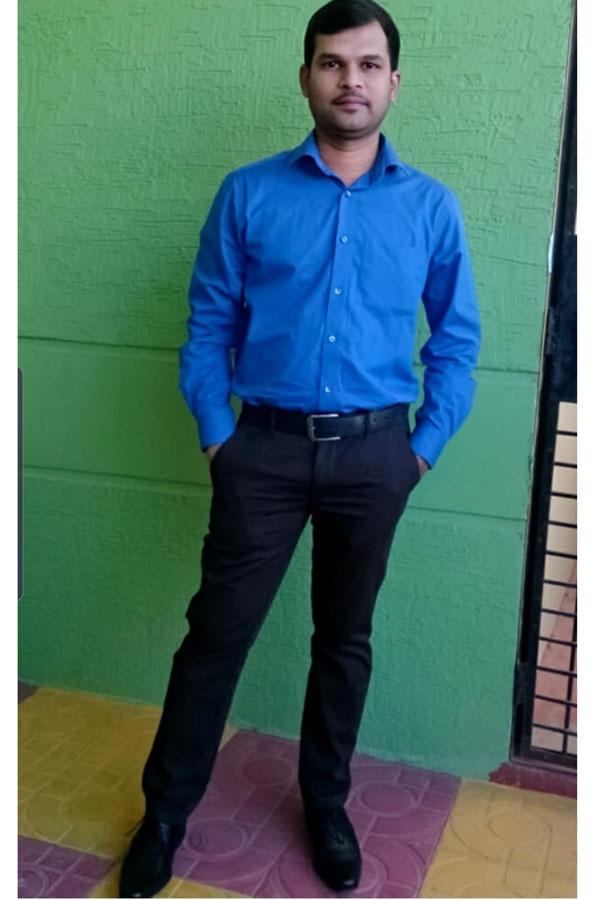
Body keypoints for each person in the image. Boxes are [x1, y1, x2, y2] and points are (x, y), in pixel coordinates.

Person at [119, 0, 481, 896]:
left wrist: (421, 450)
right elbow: (207, 325)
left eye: (368, 64)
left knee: (344, 643)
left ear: (394, 82)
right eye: (332, 63)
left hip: (376, 458)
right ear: (307, 77)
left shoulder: (430, 207)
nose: (350, 80)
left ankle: (326, 804)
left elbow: (457, 342)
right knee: (215, 637)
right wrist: (219, 438)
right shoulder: (249, 193)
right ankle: (164, 813)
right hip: (263, 455)